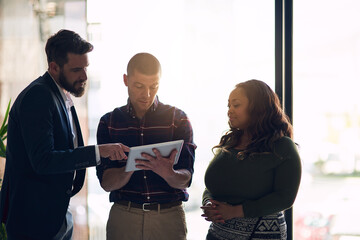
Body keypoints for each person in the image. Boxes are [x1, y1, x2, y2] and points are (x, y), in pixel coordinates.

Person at [0, 29, 126, 240]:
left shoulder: (60, 95)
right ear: (54, 67)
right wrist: (98, 152)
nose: (84, 76)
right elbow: (43, 160)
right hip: (34, 222)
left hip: (54, 214)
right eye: (77, 69)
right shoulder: (39, 96)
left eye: (86, 67)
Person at [96, 52, 196, 240]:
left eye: (154, 86)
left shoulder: (178, 119)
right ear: (126, 80)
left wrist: (167, 172)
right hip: (124, 217)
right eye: (139, 86)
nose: (147, 94)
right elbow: (106, 183)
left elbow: (186, 179)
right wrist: (130, 166)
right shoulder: (108, 122)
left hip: (168, 218)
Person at [201, 79, 302, 240]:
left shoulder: (282, 146)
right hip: (217, 234)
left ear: (257, 108)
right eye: (229, 106)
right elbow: (213, 184)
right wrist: (208, 203)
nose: (229, 111)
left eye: (236, 105)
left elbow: (285, 198)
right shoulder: (230, 142)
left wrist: (235, 211)